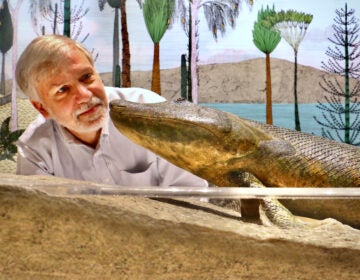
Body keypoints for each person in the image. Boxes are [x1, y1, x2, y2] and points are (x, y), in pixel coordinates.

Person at [15, 35, 207, 187]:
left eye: (86, 77)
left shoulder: (152, 112)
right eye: (62, 90)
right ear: (41, 107)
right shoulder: (34, 150)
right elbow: (44, 220)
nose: (85, 95)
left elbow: (191, 193)